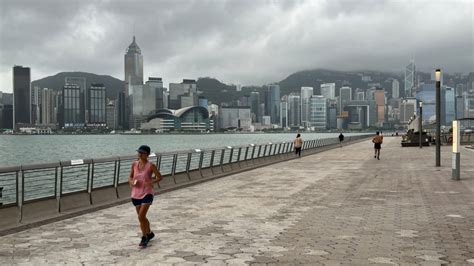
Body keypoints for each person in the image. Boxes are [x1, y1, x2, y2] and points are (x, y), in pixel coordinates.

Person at [128, 145, 162, 247]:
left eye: (142, 152)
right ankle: (149, 233)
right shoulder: (134, 164)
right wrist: (132, 182)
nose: (139, 154)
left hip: (147, 193)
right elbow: (130, 176)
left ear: (147, 154)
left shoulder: (151, 165)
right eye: (139, 152)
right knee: (142, 218)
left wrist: (150, 182)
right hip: (135, 193)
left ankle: (144, 237)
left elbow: (160, 177)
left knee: (141, 216)